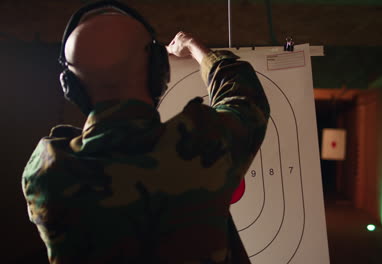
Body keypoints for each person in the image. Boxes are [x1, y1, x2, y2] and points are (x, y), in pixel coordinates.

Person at [21, 1, 269, 263]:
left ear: (71, 87)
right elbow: (244, 98)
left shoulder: (47, 174)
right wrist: (195, 47)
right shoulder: (201, 144)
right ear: (159, 70)